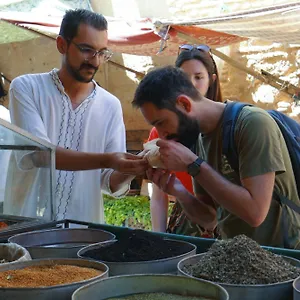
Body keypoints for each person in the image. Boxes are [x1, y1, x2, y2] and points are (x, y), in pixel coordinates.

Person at [132, 65, 300, 249]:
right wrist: (177, 190)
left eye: (161, 123)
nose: (162, 135)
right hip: (239, 258)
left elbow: (255, 213)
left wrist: (193, 165)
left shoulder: (252, 123)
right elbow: (209, 219)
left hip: (284, 259)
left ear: (185, 104)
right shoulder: (197, 138)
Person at [7, 9, 148, 222]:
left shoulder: (110, 105)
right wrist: (109, 159)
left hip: (83, 233)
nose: (95, 61)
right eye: (86, 50)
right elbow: (39, 154)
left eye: (102, 53)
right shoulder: (26, 88)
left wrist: (136, 166)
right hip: (28, 229)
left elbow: (109, 181)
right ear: (62, 44)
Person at [148, 45, 222, 237]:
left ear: (211, 81)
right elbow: (158, 192)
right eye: (183, 78)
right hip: (187, 219)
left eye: (198, 77)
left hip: (227, 221)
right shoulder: (161, 132)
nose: (191, 85)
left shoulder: (228, 127)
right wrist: (160, 237)